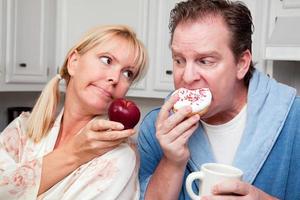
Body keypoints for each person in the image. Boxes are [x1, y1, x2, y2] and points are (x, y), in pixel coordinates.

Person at [138, 0, 300, 199]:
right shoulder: (155, 129)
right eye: (179, 60)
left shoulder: (295, 121)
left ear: (241, 64)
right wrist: (172, 161)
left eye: (205, 61)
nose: (187, 77)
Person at [0, 25, 148, 200]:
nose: (115, 78)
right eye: (107, 60)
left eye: (128, 73)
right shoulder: (22, 128)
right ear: (73, 62)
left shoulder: (120, 157)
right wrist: (74, 153)